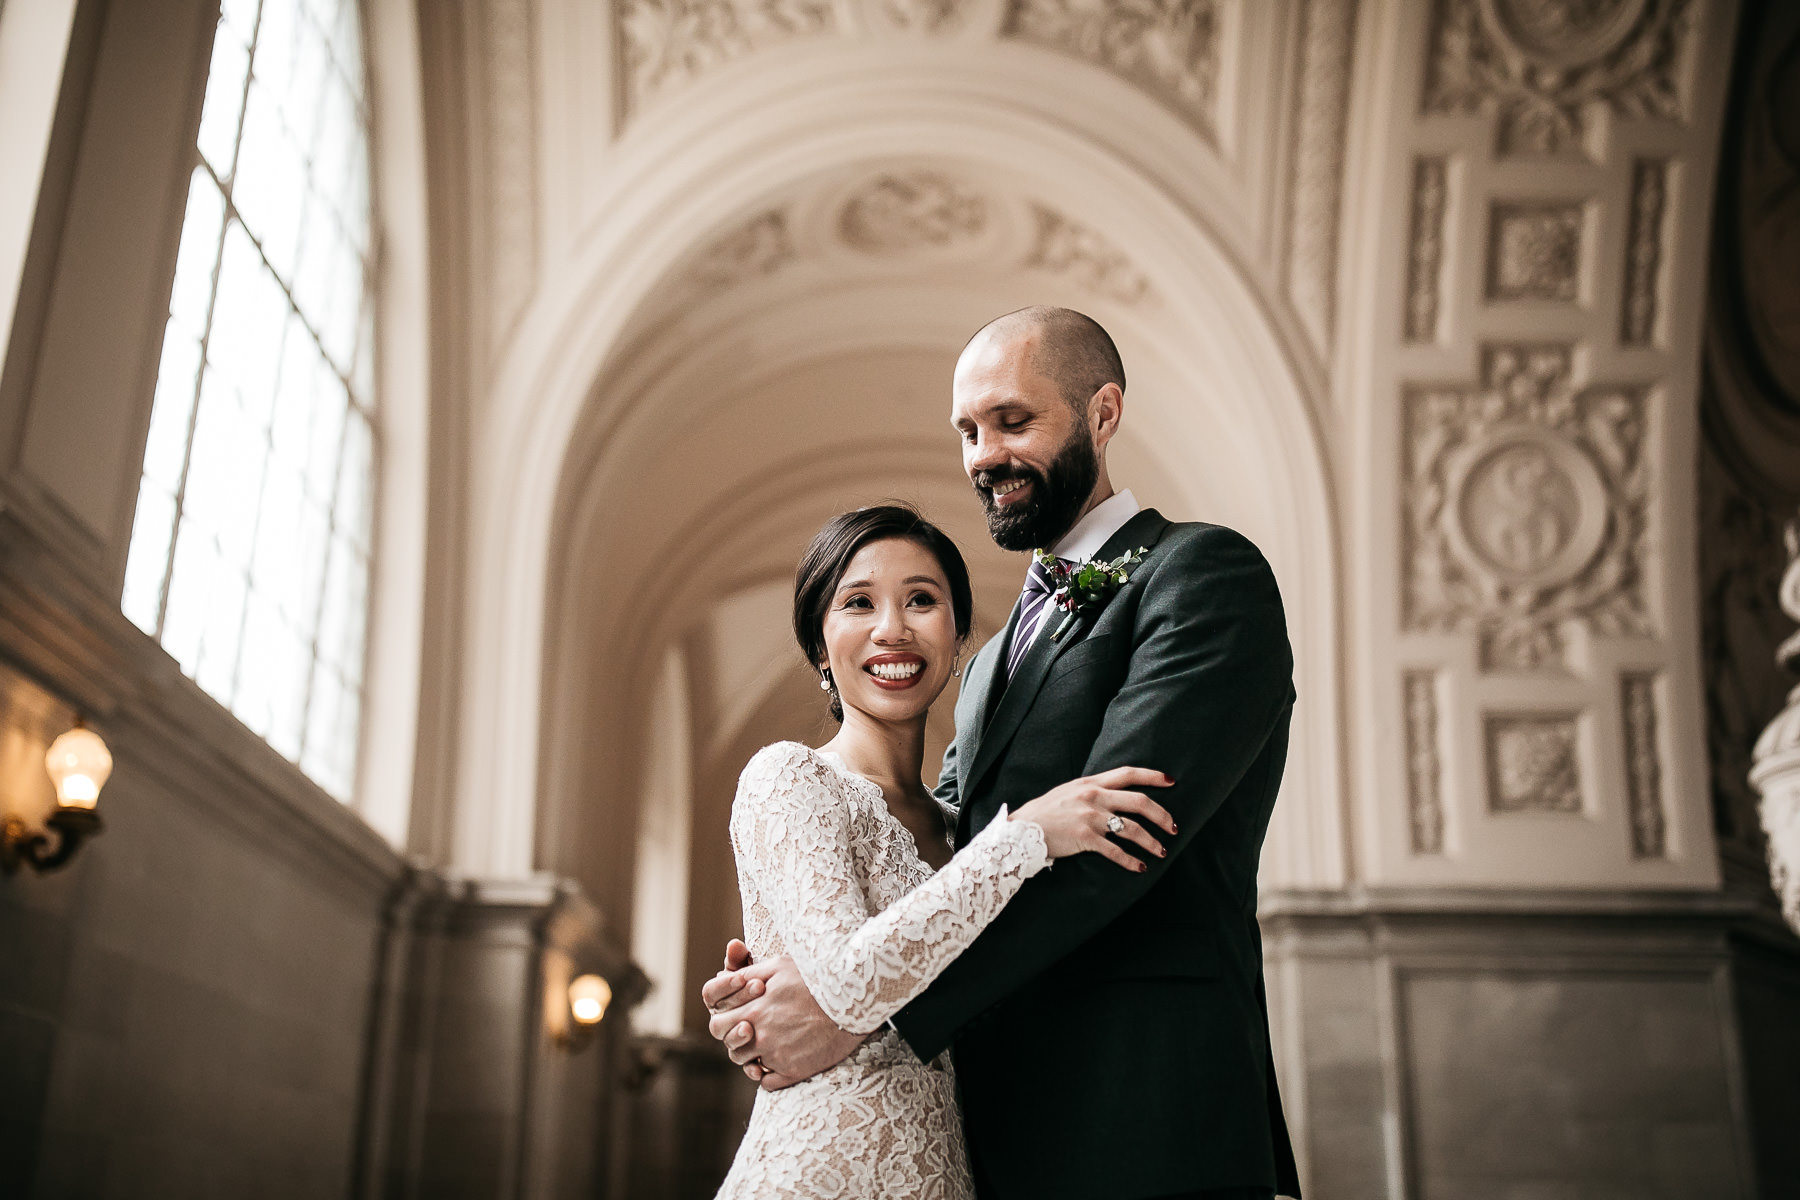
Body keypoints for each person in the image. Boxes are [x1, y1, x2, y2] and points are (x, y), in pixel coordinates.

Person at [704, 307, 1302, 1200]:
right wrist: (779, 990)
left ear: (1102, 414)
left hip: (1145, 1108)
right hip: (988, 1130)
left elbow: (1116, 845)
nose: (985, 453)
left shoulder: (1203, 576)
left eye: (1014, 421)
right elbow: (935, 865)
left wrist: (854, 1015)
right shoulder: (983, 670)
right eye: (969, 431)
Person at [716, 503, 1178, 1199]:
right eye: (859, 602)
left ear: (958, 637)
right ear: (820, 643)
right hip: (810, 1176)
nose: (892, 627)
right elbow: (846, 985)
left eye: (921, 600)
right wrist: (1028, 834)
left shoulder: (964, 827)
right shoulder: (789, 778)